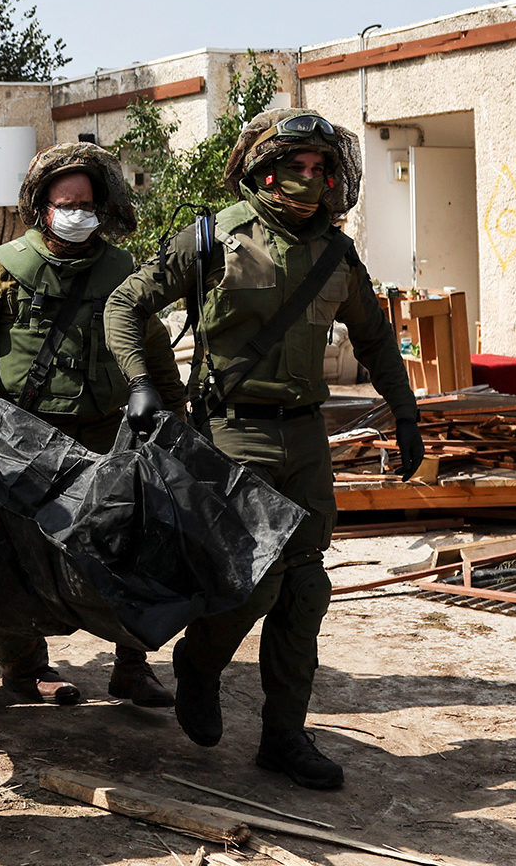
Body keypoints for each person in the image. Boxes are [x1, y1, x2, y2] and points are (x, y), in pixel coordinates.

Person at [105, 109, 423, 791]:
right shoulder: (214, 235)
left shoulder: (337, 255)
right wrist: (142, 382)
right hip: (231, 432)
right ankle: (199, 662)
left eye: (320, 169)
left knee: (307, 585)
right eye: (294, 166)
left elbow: (373, 338)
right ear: (263, 168)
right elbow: (126, 304)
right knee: (256, 578)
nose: (308, 180)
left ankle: (284, 737)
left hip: (306, 435)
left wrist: (406, 413)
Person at [0, 142, 183, 709]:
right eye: (66, 203)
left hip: (104, 434)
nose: (77, 213)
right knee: (17, 552)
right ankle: (24, 667)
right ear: (42, 206)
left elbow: (154, 349)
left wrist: (175, 416)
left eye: (86, 204)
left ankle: (132, 666)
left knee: (124, 547)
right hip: (22, 439)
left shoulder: (120, 271)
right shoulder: (4, 268)